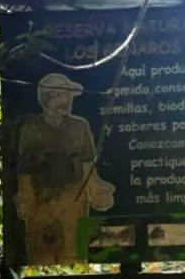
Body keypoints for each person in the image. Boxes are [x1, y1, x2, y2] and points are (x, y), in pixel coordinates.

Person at [16, 73, 116, 264]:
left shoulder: (80, 126)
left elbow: (87, 164)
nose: (65, 101)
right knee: (41, 257)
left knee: (74, 257)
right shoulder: (31, 130)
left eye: (67, 96)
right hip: (42, 200)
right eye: (59, 96)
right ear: (46, 99)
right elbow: (24, 170)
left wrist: (98, 191)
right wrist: (26, 199)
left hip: (74, 199)